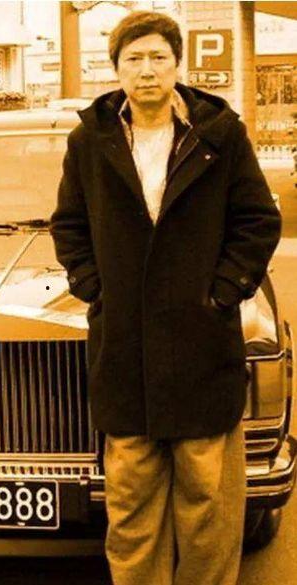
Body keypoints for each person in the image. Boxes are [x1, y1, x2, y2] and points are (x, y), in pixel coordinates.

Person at [50, 10, 281, 585]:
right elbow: (69, 224)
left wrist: (222, 294)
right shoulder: (91, 140)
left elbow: (256, 220)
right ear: (116, 69)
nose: (147, 70)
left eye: (158, 57)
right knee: (131, 505)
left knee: (209, 502)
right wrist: (96, 289)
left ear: (178, 64)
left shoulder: (219, 134)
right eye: (134, 58)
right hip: (125, 350)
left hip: (202, 346)